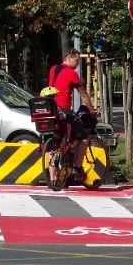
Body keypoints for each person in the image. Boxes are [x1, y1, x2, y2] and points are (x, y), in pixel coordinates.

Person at [41, 49, 97, 187]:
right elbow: (83, 94)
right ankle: (78, 167)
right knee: (84, 136)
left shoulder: (53, 69)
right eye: (77, 60)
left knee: (55, 144)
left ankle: (53, 179)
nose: (78, 64)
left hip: (51, 110)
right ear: (69, 58)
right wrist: (91, 110)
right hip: (64, 111)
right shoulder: (72, 74)